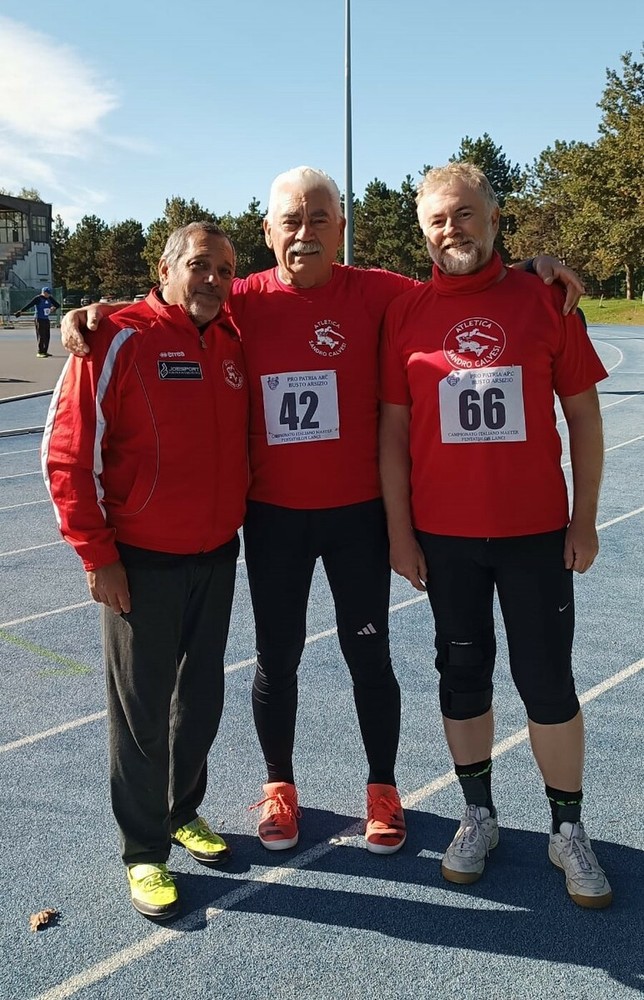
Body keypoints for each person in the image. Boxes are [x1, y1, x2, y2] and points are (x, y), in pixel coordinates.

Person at [60, 166, 585, 859]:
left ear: (341, 228)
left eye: (318, 219)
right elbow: (177, 296)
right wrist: (95, 312)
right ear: (268, 232)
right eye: (290, 221)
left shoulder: (378, 291)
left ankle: (382, 789)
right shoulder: (240, 297)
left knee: (369, 655)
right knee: (275, 660)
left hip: (357, 515)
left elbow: (459, 278)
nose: (304, 233)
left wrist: (532, 268)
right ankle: (280, 785)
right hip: (274, 517)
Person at [379, 162, 611, 908]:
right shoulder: (407, 312)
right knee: (462, 675)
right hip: (445, 540)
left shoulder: (545, 299)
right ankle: (478, 814)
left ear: (495, 218)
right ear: (424, 231)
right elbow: (392, 433)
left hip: (535, 534)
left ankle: (567, 830)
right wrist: (400, 535)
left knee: (547, 681)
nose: (454, 230)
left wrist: (585, 518)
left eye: (466, 214)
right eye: (440, 220)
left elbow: (583, 417)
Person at [42, 222, 249, 919]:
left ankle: (181, 809)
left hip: (217, 556)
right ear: (165, 269)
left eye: (225, 268)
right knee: (141, 716)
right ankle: (143, 852)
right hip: (142, 563)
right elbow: (67, 455)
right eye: (199, 265)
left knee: (201, 704)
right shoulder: (115, 337)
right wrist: (97, 556)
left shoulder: (230, 339)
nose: (214, 279)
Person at [16, 286, 60, 357]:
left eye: (49, 294)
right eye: (47, 293)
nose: (49, 295)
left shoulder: (49, 298)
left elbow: (57, 305)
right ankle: (40, 352)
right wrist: (21, 311)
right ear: (44, 293)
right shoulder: (38, 298)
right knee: (41, 335)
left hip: (46, 319)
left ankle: (45, 351)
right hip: (39, 318)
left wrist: (53, 308)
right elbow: (29, 305)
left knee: (47, 336)